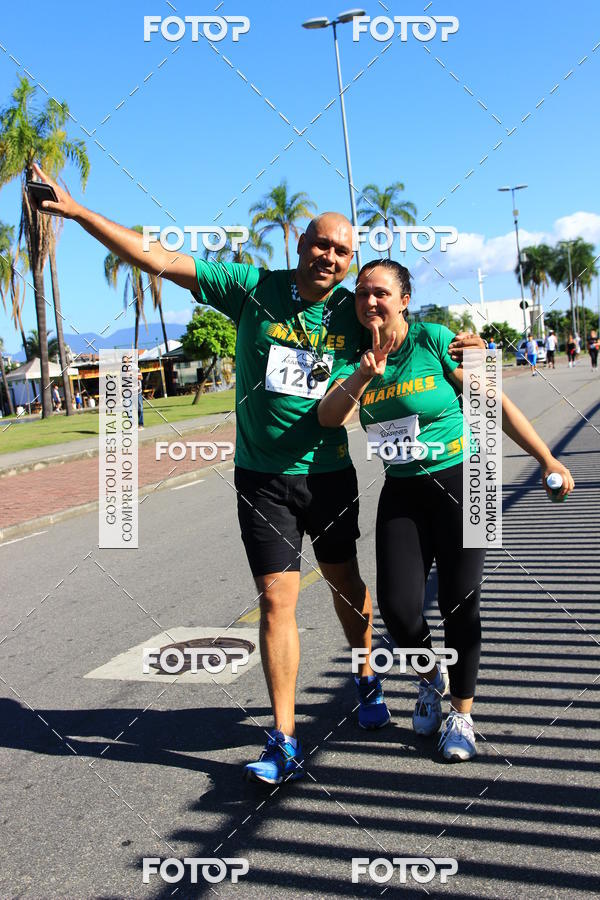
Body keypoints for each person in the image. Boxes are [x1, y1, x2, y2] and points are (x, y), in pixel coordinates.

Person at [29, 163, 482, 785]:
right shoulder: (250, 288)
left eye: (343, 251)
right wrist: (79, 214)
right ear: (300, 243)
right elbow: (160, 259)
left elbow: (411, 338)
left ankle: (367, 674)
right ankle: (284, 739)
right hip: (263, 478)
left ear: (351, 263)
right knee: (277, 601)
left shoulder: (356, 311)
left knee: (347, 587)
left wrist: (468, 344)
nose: (331, 256)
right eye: (322, 244)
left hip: (330, 477)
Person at [318, 259, 574, 761]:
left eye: (381, 292)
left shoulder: (435, 340)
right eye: (362, 292)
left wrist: (548, 459)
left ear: (404, 299)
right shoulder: (353, 356)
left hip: (465, 481)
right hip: (403, 489)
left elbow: (491, 403)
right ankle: (431, 677)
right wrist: (363, 377)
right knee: (397, 608)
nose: (370, 301)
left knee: (461, 603)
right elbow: (330, 417)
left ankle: (462, 713)